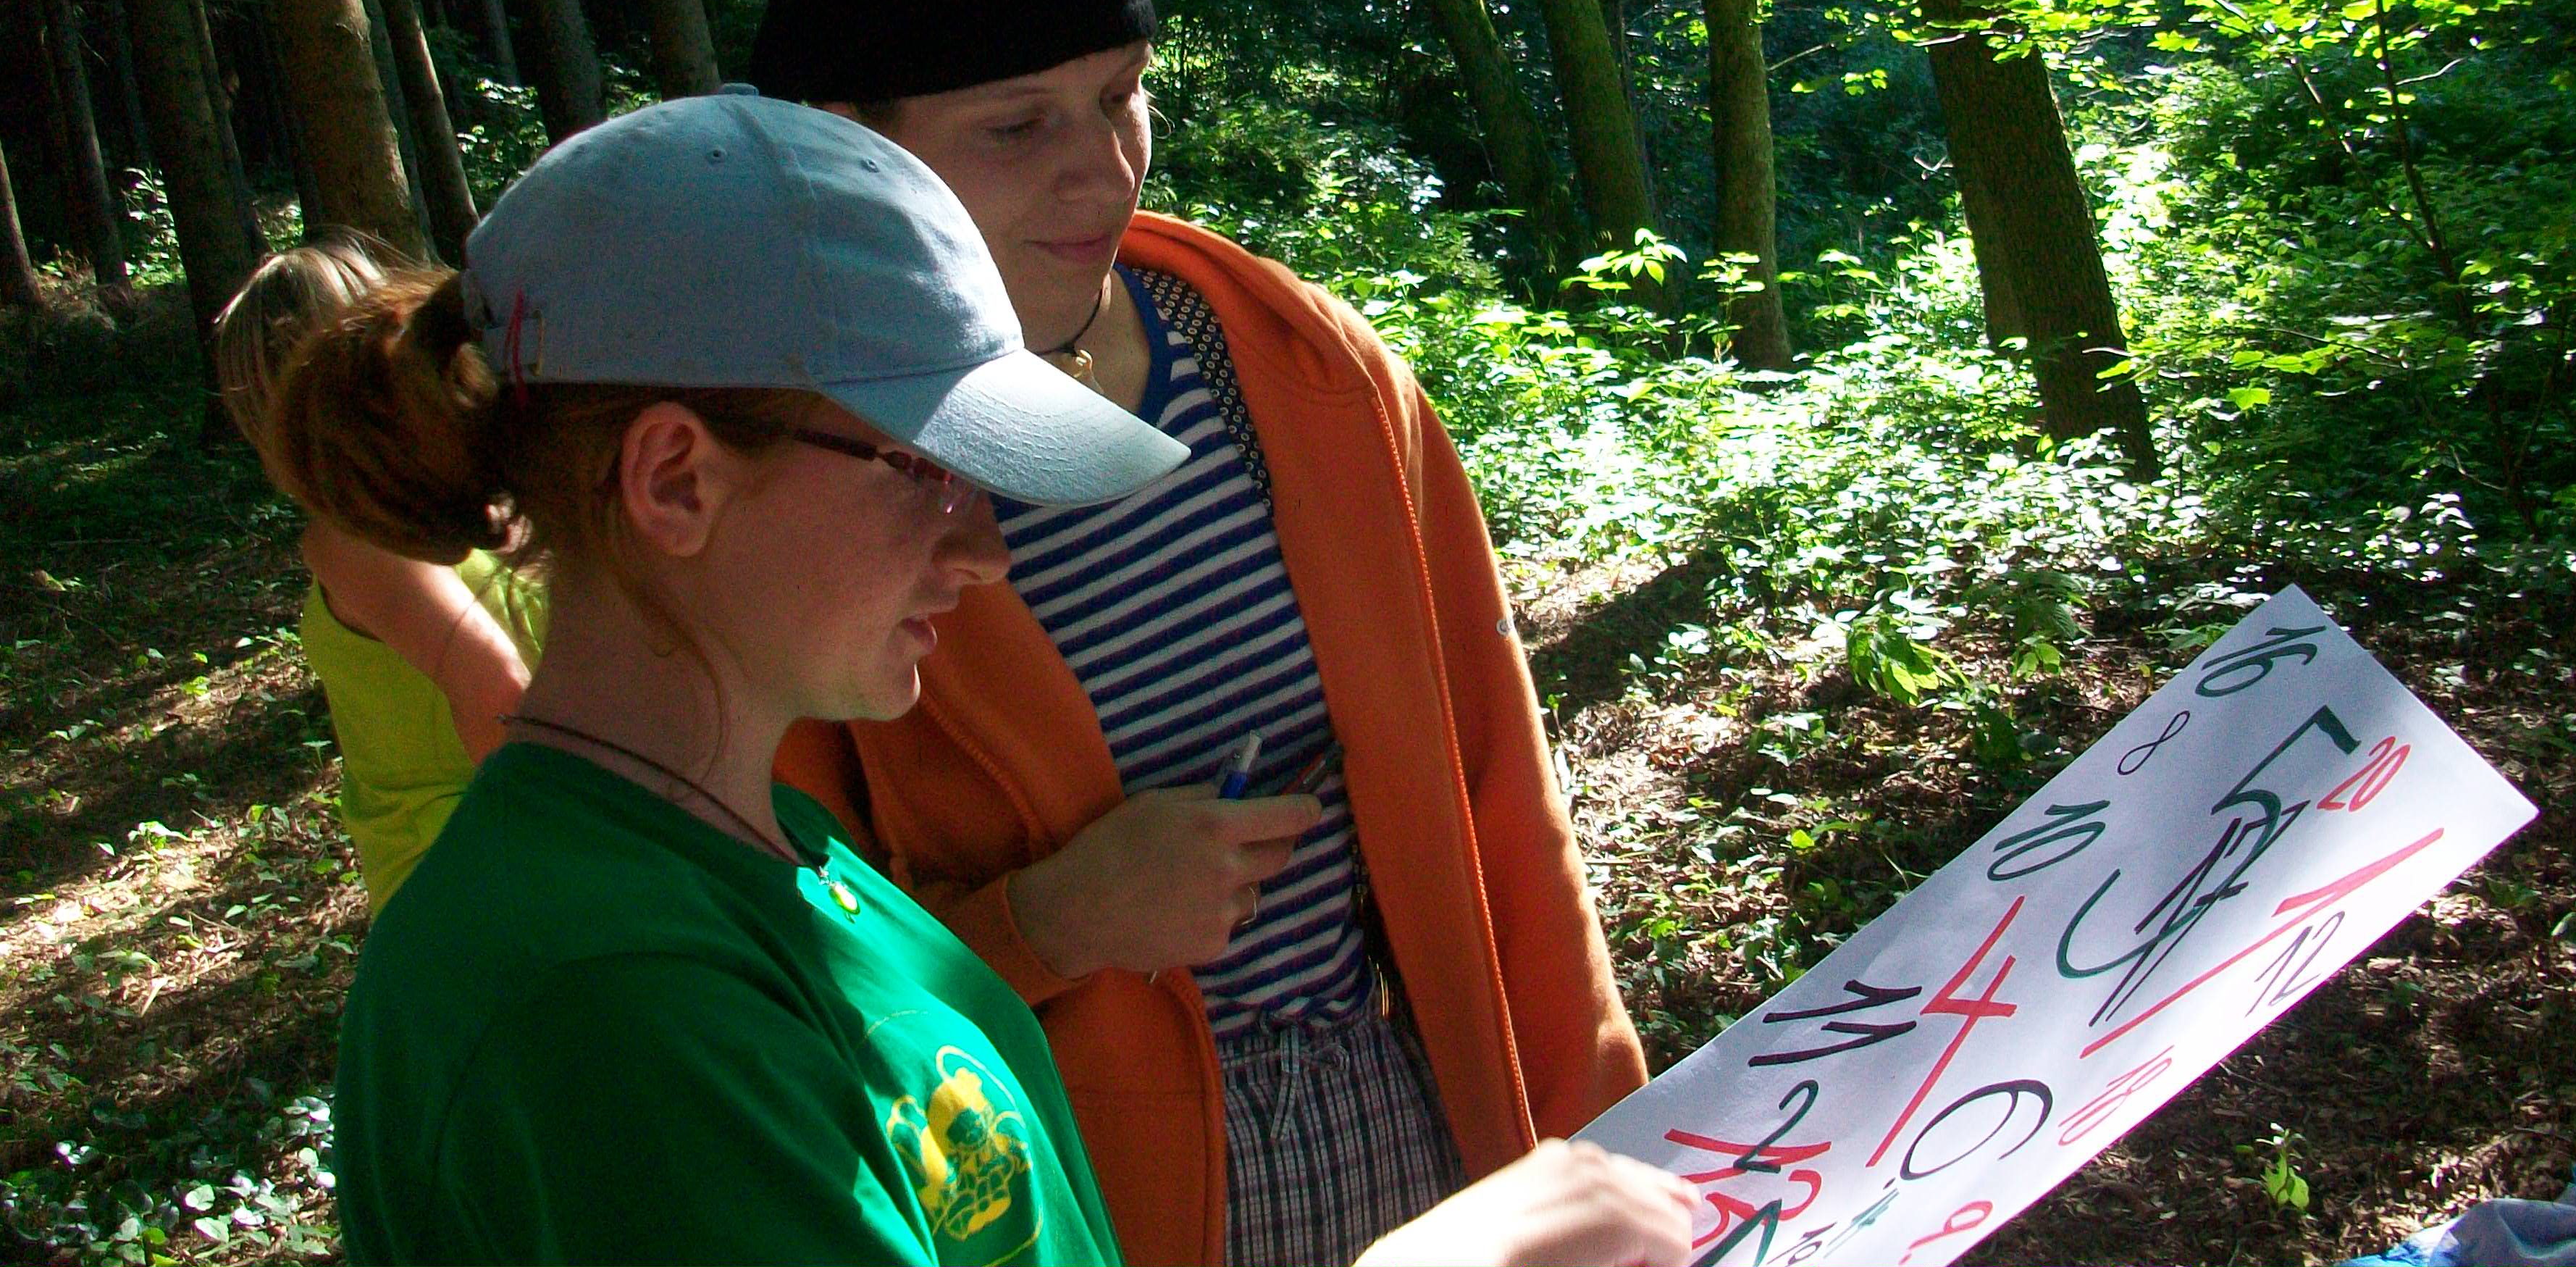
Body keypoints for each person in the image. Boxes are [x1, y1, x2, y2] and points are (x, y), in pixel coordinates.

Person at [274, 90, 1694, 1266]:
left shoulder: (777, 856)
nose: (984, 549)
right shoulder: (602, 1008)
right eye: (922, 468)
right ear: (674, 479)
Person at [752, 0, 1649, 1267]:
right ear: (854, 143)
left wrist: (1600, 1128)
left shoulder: (1297, 374)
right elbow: (769, 982)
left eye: (1119, 96)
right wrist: (1048, 921)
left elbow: (1497, 797)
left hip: (1418, 1132)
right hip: (1068, 1198)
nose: (1100, 169)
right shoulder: (799, 481)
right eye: (1017, 124)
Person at [214, 238, 543, 916]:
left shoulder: (382, 526)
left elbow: (504, 692)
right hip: (490, 881)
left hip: (490, 879)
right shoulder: (401, 523)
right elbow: (505, 692)